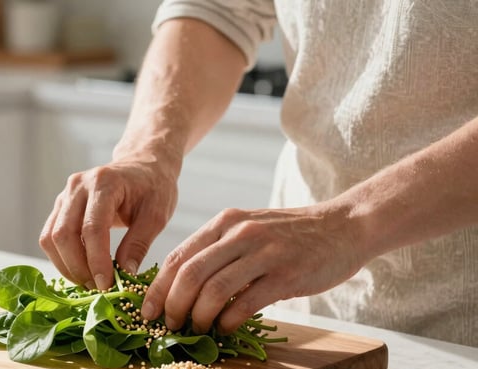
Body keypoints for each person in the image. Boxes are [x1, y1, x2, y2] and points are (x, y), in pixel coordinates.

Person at [39, 0, 478, 347]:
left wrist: (349, 223)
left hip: (462, 322)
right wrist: (145, 153)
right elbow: (216, 10)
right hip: (304, 312)